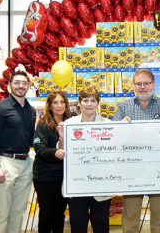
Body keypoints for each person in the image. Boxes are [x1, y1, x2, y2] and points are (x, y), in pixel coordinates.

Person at [113, 69, 160, 233]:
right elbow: (111, 134)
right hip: (133, 169)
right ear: (133, 85)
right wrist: (120, 127)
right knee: (130, 214)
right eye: (138, 84)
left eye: (146, 83)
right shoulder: (124, 106)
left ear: (153, 84)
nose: (142, 87)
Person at [0, 70, 37, 233]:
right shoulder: (0, 109)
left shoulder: (31, 111)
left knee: (18, 211)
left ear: (28, 86)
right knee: (1, 212)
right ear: (9, 86)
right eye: (16, 83)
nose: (20, 86)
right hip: (5, 163)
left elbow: (31, 140)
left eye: (24, 83)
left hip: (25, 163)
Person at [59, 86, 112, 233]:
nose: (89, 104)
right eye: (85, 100)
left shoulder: (108, 125)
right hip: (77, 184)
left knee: (100, 223)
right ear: (79, 103)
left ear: (98, 103)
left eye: (93, 100)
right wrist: (62, 136)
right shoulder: (69, 124)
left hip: (101, 184)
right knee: (78, 223)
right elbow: (61, 152)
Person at [33, 91, 72, 233]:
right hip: (45, 176)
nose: (59, 105)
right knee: (46, 213)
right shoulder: (43, 124)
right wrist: (54, 153)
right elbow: (39, 148)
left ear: (66, 105)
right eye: (55, 102)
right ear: (49, 106)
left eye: (62, 102)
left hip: (64, 176)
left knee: (59, 213)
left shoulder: (71, 122)